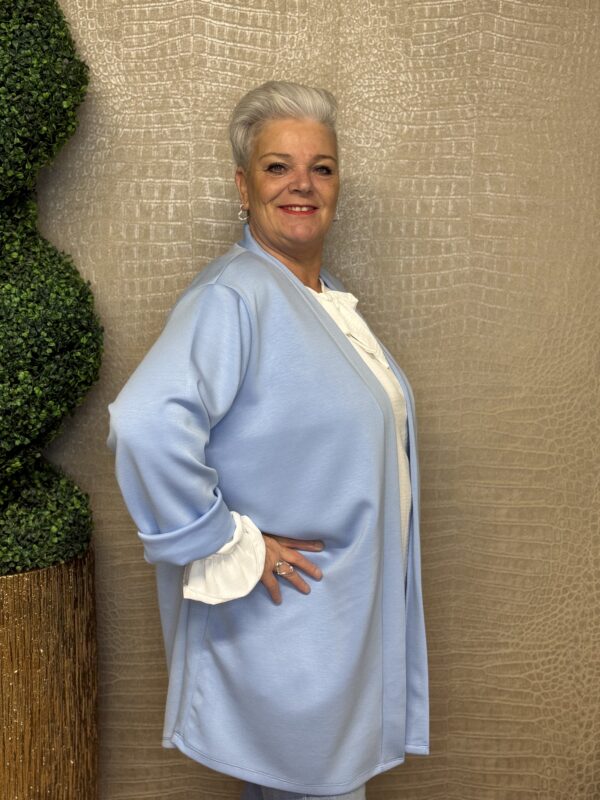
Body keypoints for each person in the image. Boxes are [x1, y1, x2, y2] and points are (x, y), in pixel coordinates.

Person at [108, 80, 429, 800]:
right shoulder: (234, 295)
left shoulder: (324, 300)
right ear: (242, 185)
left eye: (322, 167)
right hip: (293, 628)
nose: (301, 184)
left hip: (335, 627)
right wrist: (228, 543)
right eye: (277, 166)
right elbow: (144, 422)